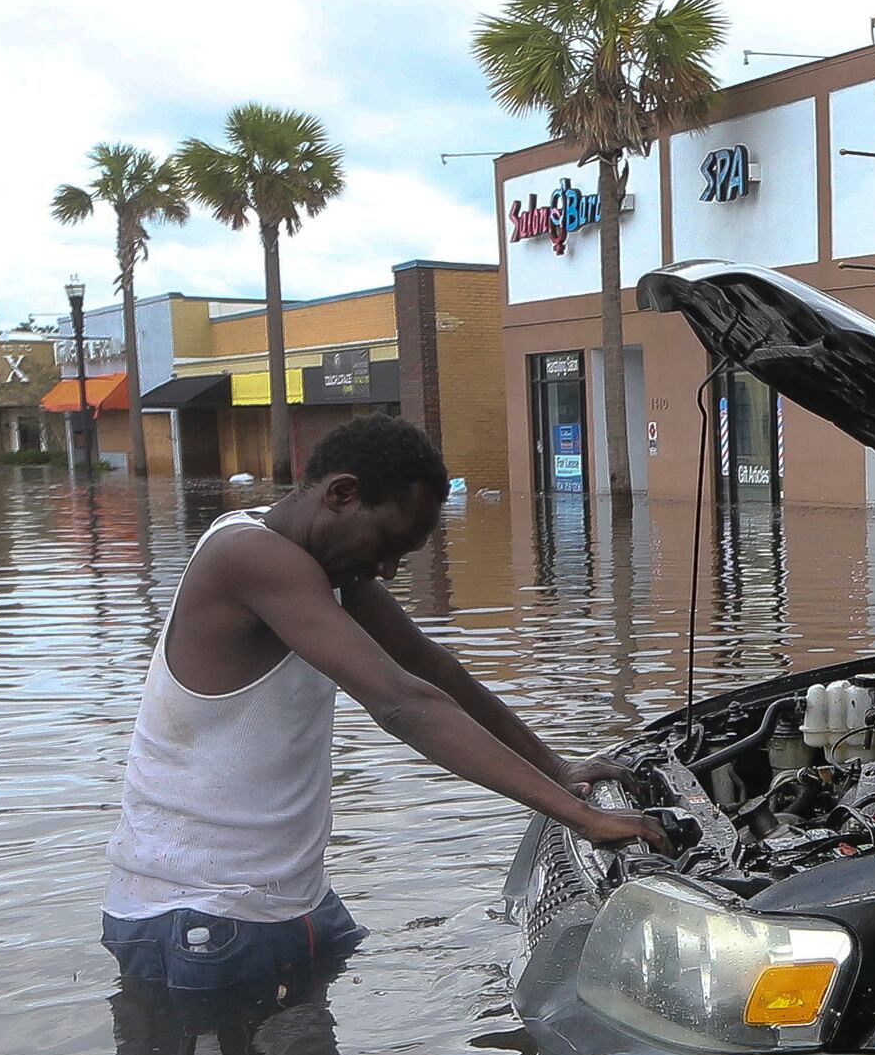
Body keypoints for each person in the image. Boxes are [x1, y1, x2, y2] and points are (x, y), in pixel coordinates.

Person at [102, 413, 665, 994]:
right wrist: (585, 817)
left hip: (284, 902)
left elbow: (434, 670)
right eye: (391, 544)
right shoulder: (251, 557)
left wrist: (559, 770)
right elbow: (401, 702)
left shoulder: (320, 564)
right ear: (343, 494)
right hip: (198, 916)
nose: (390, 570)